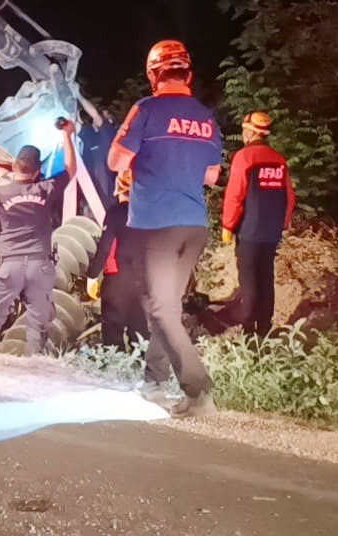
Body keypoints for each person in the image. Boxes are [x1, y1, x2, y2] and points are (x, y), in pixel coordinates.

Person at [108, 39, 223, 418]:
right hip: (193, 226)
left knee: (159, 307)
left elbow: (115, 161)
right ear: (187, 72)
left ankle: (198, 390)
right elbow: (211, 176)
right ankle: (155, 382)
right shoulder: (206, 116)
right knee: (167, 306)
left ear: (154, 74)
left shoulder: (146, 109)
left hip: (156, 224)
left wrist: (145, 158)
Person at [0, 120, 78, 354]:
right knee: (38, 318)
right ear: (37, 170)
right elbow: (71, 170)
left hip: (9, 266)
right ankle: (34, 362)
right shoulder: (45, 190)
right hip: (39, 265)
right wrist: (68, 136)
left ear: (14, 167)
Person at [220, 111, 297, 336]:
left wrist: (228, 226)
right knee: (266, 277)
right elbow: (290, 197)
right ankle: (265, 329)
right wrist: (284, 223)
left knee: (249, 281)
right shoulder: (279, 159)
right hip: (271, 231)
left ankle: (248, 332)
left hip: (249, 231)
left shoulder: (244, 157)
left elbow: (235, 195)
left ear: (249, 132)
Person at [86, 170, 149, 349]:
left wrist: (92, 276)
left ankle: (115, 367)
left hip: (117, 278)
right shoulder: (147, 213)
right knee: (139, 328)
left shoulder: (116, 213)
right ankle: (144, 368)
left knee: (113, 330)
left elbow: (106, 246)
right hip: (141, 279)